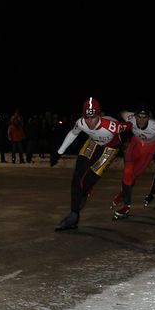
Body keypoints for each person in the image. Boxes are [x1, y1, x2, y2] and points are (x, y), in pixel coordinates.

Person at [50, 97, 131, 230]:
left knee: (88, 180)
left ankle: (86, 189)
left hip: (109, 148)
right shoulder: (81, 123)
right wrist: (59, 153)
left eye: (93, 117)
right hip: (92, 143)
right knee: (77, 177)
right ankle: (74, 215)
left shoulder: (112, 126)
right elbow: (73, 133)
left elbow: (131, 126)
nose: (89, 121)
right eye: (86, 117)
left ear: (99, 115)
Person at [110, 105, 155, 219]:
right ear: (135, 116)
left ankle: (123, 194)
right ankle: (126, 206)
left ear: (149, 118)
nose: (141, 120)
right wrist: (119, 137)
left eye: (145, 117)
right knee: (127, 172)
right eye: (139, 117)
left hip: (149, 150)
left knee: (133, 176)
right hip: (135, 145)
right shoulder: (129, 116)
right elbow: (119, 114)